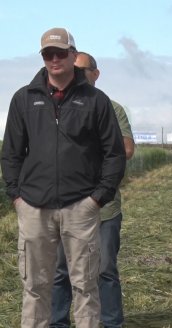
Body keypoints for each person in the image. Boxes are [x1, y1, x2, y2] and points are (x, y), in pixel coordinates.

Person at [0, 28, 126, 328]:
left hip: (80, 208)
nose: (54, 59)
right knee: (35, 286)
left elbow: (115, 153)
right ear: (43, 58)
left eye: (60, 53)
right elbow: (11, 153)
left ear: (72, 54)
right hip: (34, 207)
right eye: (48, 54)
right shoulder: (24, 99)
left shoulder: (96, 100)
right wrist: (17, 196)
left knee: (86, 285)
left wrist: (97, 198)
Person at [50, 52, 134, 328]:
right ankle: (58, 321)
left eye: (83, 70)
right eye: (73, 70)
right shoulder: (56, 105)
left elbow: (126, 150)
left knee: (105, 269)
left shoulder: (112, 107)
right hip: (64, 205)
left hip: (103, 206)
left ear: (96, 74)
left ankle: (110, 323)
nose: (77, 75)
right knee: (60, 270)